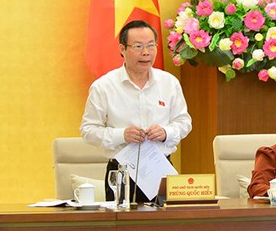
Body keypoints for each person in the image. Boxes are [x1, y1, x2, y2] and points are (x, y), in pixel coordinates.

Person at [80, 20, 192, 203]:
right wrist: (121, 135)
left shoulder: (169, 83)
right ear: (122, 49)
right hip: (121, 173)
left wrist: (166, 132)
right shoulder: (103, 86)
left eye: (151, 46)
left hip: (160, 169)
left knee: (165, 219)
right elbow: (88, 131)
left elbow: (184, 122)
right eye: (138, 46)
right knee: (122, 220)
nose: (146, 52)